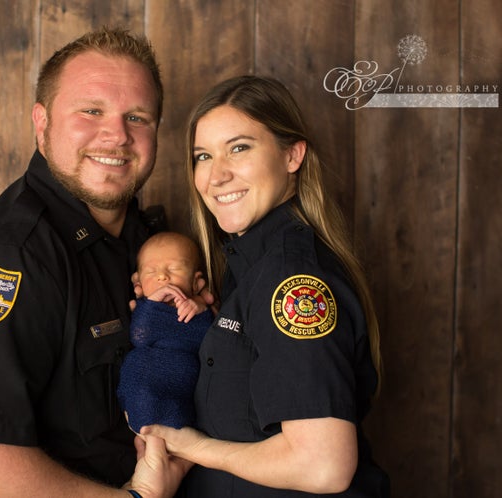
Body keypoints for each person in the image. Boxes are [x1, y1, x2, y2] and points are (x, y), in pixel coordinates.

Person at [0, 27, 189, 498]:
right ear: (41, 123)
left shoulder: (146, 243)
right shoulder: (10, 258)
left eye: (137, 117)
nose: (116, 134)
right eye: (91, 111)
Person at [142, 76, 390, 497]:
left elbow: (323, 466)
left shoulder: (292, 281)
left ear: (292, 155)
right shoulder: (245, 267)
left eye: (239, 148)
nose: (216, 175)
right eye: (203, 155)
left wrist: (200, 449)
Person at [117, 232, 214, 434]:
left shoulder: (198, 308)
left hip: (179, 385)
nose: (162, 276)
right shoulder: (143, 307)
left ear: (196, 283)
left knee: (176, 427)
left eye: (174, 269)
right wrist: (152, 304)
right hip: (141, 385)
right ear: (139, 283)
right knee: (146, 419)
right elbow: (141, 336)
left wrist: (200, 308)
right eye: (151, 272)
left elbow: (203, 338)